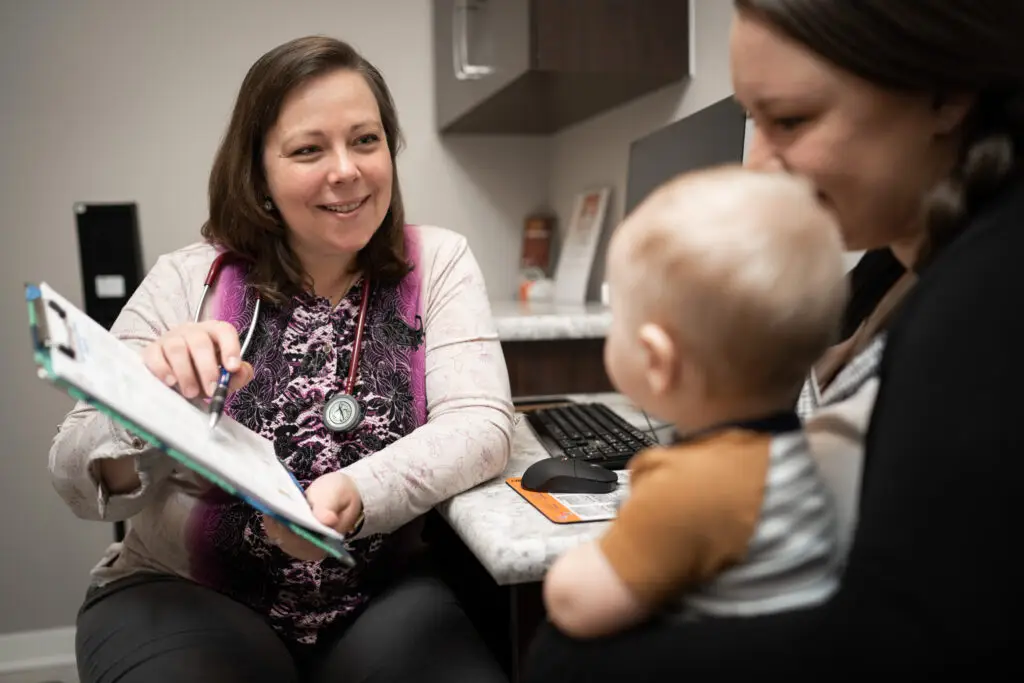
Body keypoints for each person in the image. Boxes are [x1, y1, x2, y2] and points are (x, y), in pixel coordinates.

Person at [524, 1, 1024, 679]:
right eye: (749, 121)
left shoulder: (985, 305)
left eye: (789, 120)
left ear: (946, 92)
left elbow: (914, 638)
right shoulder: (892, 271)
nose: (756, 166)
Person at [50, 36, 513, 683]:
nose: (346, 169)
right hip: (189, 590)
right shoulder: (187, 279)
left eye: (365, 140)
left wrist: (358, 492)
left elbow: (482, 427)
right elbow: (74, 474)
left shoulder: (437, 261)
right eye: (307, 150)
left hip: (376, 592)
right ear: (259, 173)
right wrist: (145, 394)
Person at [544, 167, 849, 639]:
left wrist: (584, 557)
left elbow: (575, 603)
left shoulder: (691, 488)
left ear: (657, 361)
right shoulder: (795, 455)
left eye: (615, 317)